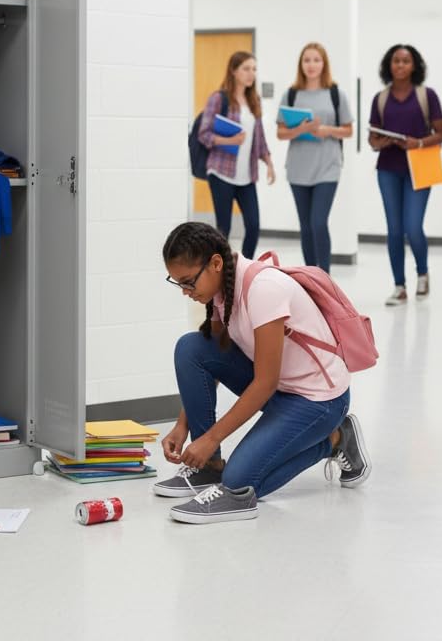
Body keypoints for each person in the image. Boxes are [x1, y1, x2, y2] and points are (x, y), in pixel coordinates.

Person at [153, 221, 371, 524]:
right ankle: (208, 467)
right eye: (179, 283)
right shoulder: (220, 287)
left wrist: (211, 438)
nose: (185, 292)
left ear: (215, 263)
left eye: (189, 282)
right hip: (282, 389)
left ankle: (334, 439)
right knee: (192, 348)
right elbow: (213, 359)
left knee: (239, 483)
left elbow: (265, 383)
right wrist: (183, 426)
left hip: (317, 401)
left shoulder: (264, 290)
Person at [368, 44, 442, 306]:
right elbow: (373, 138)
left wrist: (419, 143)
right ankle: (399, 287)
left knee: (413, 227)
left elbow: (441, 133)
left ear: (415, 66)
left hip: (418, 168)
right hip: (388, 169)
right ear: (389, 66)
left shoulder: (427, 96)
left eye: (405, 61)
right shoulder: (380, 98)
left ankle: (422, 273)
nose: (400, 65)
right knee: (394, 230)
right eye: (396, 61)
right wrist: (381, 142)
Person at [276, 42, 353, 273]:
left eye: (316, 60)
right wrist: (303, 129)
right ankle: (312, 277)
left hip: (328, 166)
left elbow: (348, 130)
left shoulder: (336, 94)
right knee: (306, 227)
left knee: (319, 222)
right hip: (298, 168)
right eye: (307, 60)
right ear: (301, 64)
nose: (311, 65)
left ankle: (325, 277)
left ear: (324, 64)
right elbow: (280, 133)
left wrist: (326, 130)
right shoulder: (291, 94)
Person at [197, 50, 275, 259]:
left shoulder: (254, 100)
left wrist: (269, 162)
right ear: (233, 71)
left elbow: (259, 138)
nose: (251, 74)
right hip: (221, 172)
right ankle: (220, 275)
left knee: (253, 226)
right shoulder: (218, 98)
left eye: (254, 69)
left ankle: (244, 269)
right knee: (224, 230)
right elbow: (203, 134)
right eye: (246, 69)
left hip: (246, 176)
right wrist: (229, 141)